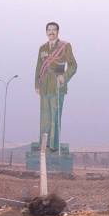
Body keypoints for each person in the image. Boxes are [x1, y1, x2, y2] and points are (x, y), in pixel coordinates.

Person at [35, 22, 77, 152]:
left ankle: (53, 145)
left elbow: (73, 65)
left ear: (58, 32)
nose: (51, 32)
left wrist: (64, 76)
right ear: (46, 32)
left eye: (54, 30)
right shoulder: (42, 48)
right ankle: (44, 145)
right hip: (44, 85)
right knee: (44, 117)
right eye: (49, 30)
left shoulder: (65, 46)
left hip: (57, 85)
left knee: (55, 116)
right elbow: (38, 67)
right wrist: (37, 84)